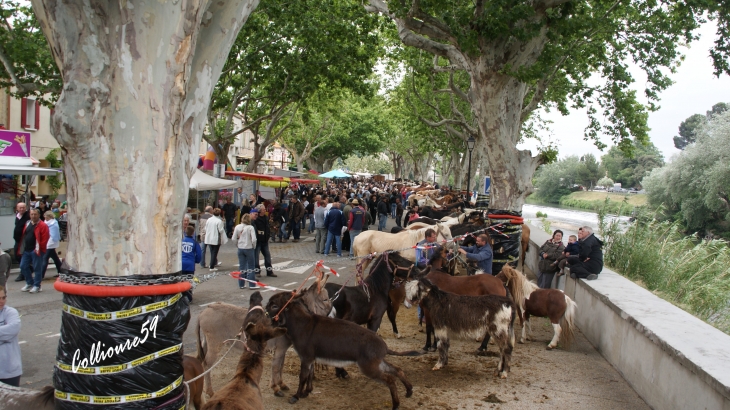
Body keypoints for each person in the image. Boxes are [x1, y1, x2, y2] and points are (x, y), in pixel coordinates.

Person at [19, 209, 49, 293]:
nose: (33, 216)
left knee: (37, 268)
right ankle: (29, 283)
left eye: (35, 214)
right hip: (27, 250)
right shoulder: (28, 223)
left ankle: (37, 285)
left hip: (36, 250)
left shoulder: (43, 225)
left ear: (39, 215)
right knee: (23, 266)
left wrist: (39, 249)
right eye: (32, 214)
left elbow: (45, 239)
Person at [0, 286, 22, 386]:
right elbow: (8, 332)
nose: (1, 301)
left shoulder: (11, 312)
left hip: (10, 370)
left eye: (3, 298)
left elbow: (14, 328)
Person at [233, 213, 258, 289]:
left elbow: (233, 238)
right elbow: (254, 239)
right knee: (251, 266)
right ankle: (252, 284)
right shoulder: (250, 227)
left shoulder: (237, 227)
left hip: (240, 248)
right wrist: (254, 246)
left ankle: (241, 284)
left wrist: (237, 244)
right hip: (249, 248)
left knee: (242, 267)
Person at [252, 206, 276, 277]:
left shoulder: (266, 217)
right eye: (264, 209)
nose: (265, 210)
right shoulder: (256, 219)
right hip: (258, 240)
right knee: (256, 256)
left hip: (265, 240)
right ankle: (257, 271)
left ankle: (269, 271)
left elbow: (267, 227)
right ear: (260, 211)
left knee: (267, 255)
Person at [181, 225, 201, 301]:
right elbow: (199, 254)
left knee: (181, 280)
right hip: (190, 265)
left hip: (181, 264)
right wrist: (196, 260)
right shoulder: (195, 242)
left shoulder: (181, 241)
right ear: (193, 233)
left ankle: (182, 296)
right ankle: (189, 297)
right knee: (189, 281)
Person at [42, 211, 63, 278]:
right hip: (49, 243)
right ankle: (61, 271)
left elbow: (53, 235)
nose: (44, 217)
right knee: (55, 258)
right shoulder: (46, 222)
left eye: (45, 216)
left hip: (50, 243)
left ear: (49, 216)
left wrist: (48, 244)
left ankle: (41, 275)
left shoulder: (53, 224)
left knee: (44, 259)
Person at [12, 203, 29, 282]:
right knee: (16, 256)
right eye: (20, 208)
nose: (22, 209)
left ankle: (22, 274)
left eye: (23, 207)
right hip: (17, 240)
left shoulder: (28, 216)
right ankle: (27, 269)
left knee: (21, 256)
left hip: (24, 240)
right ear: (17, 208)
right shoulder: (17, 215)